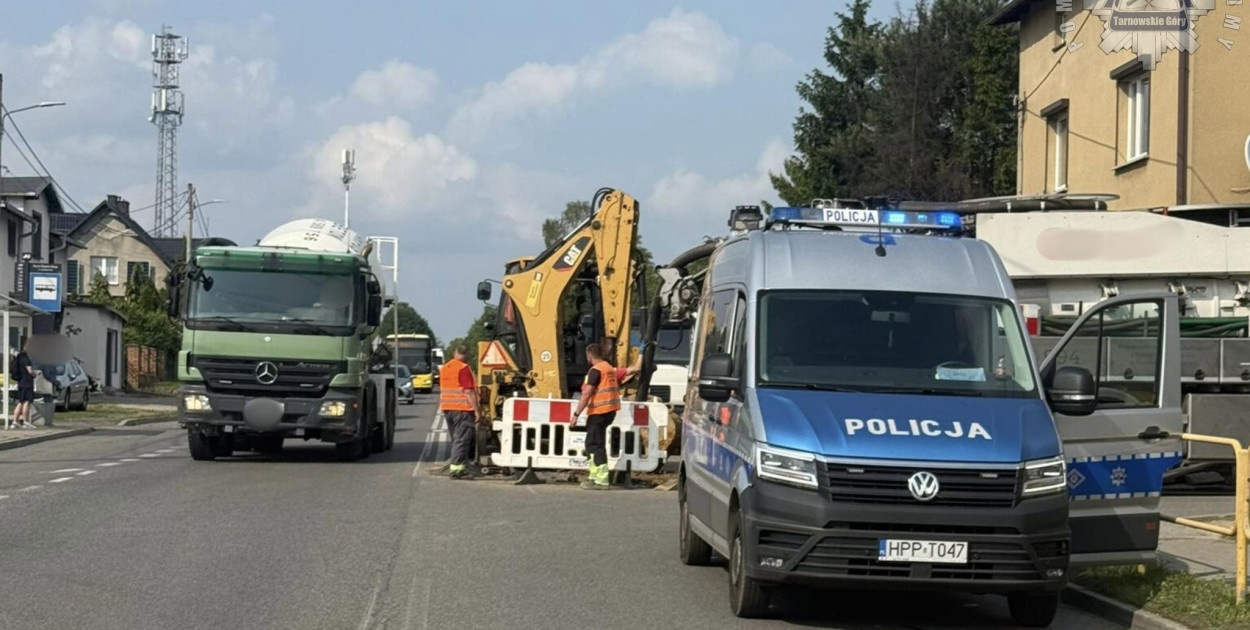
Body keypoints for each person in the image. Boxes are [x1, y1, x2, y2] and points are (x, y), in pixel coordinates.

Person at [573, 342, 622, 490]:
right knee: (594, 443)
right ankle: (595, 477)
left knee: (594, 445)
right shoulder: (609, 368)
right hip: (609, 411)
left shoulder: (595, 371)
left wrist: (576, 414)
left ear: (589, 356)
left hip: (599, 411)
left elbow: (586, 393)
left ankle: (600, 480)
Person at [438, 345, 479, 479]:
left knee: (457, 439)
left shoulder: (445, 368)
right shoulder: (463, 368)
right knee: (462, 440)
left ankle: (461, 466)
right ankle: (456, 470)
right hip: (462, 409)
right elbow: (468, 391)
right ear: (467, 355)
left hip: (447, 408)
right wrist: (477, 410)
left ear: (455, 353)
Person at [14, 342, 36, 429]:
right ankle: (25, 421)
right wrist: (35, 374)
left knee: (21, 401)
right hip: (27, 382)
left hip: (21, 381)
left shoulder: (20, 356)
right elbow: (29, 370)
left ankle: (15, 421)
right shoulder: (27, 358)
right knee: (27, 402)